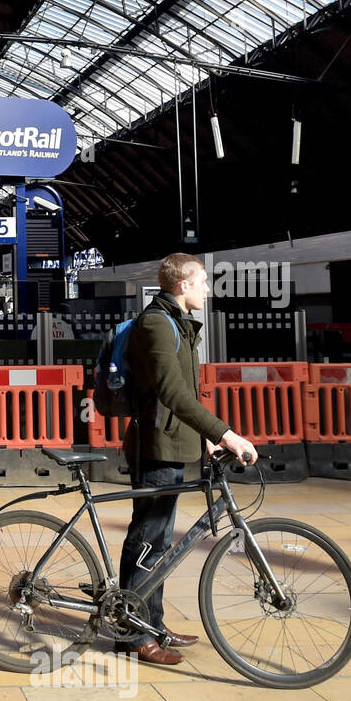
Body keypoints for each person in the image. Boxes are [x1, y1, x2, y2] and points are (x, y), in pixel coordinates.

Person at [118, 252, 256, 665]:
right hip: (155, 448)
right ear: (183, 286)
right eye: (202, 282)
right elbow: (172, 394)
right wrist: (225, 433)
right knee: (148, 538)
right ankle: (131, 634)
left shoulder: (175, 323)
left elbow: (184, 394)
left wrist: (205, 442)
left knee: (158, 541)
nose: (207, 289)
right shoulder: (157, 325)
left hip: (173, 444)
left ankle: (152, 622)